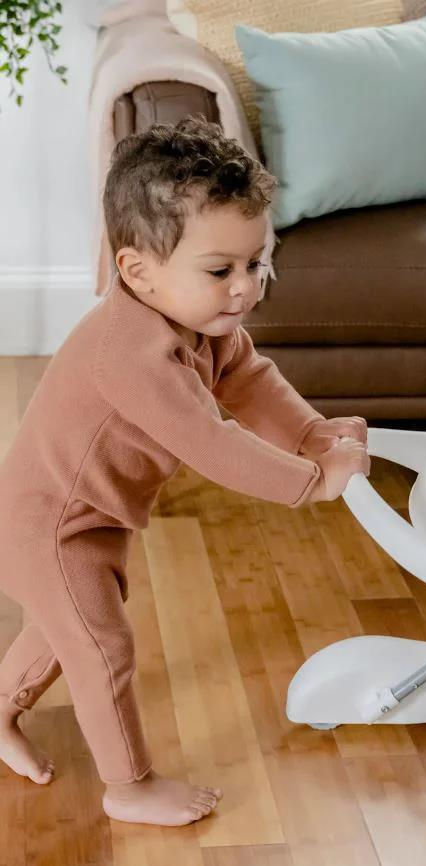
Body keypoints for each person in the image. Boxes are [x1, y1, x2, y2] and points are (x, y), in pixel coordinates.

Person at [0, 116, 370, 826]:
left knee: (61, 630)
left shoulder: (201, 325)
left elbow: (251, 381)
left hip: (92, 514)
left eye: (257, 264)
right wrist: (313, 481)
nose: (245, 289)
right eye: (220, 271)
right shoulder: (128, 354)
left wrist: (311, 435)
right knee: (101, 648)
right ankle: (128, 787)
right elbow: (209, 440)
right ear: (137, 270)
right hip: (49, 526)